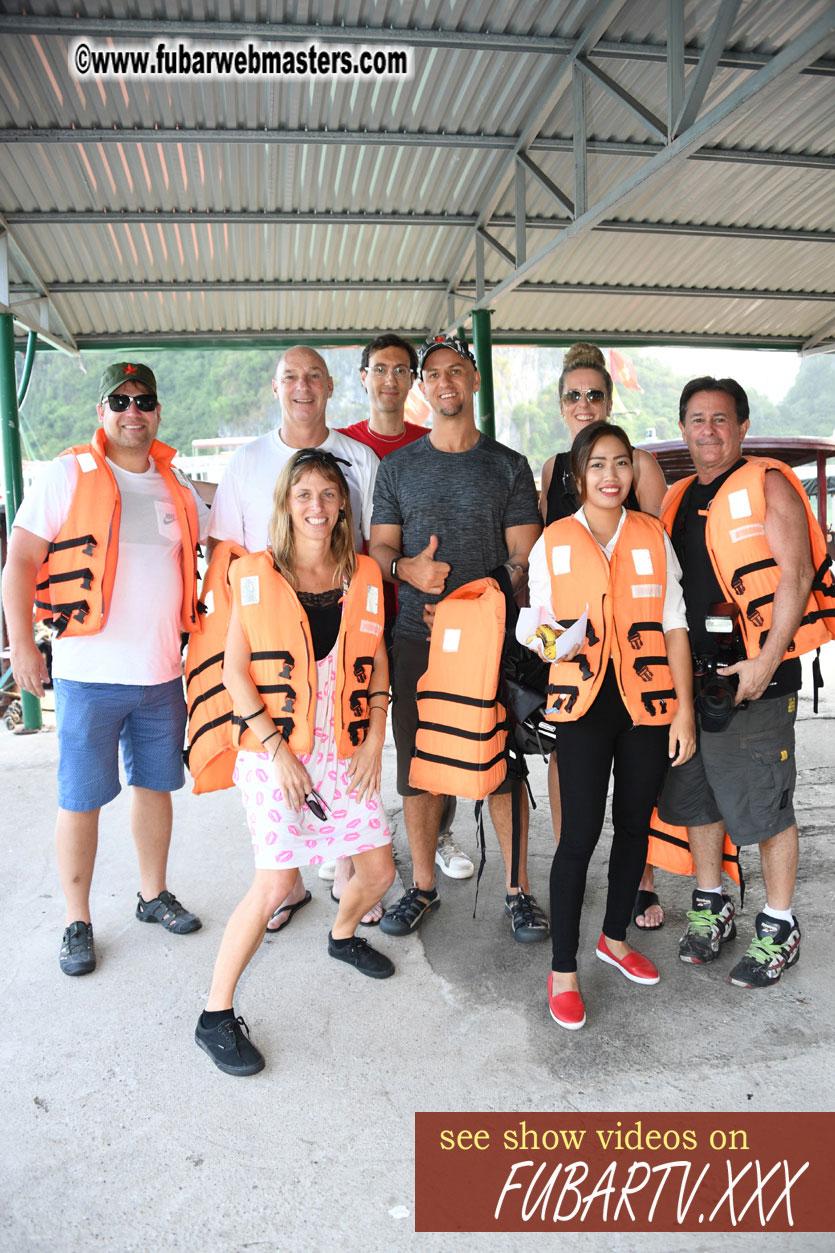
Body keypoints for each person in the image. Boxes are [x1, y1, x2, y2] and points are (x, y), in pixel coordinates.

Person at [2, 362, 208, 976]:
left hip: (160, 673)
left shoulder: (177, 486)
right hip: (88, 673)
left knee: (156, 788)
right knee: (81, 798)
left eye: (143, 400)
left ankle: (152, 894)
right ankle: (77, 919)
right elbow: (18, 564)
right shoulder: (67, 475)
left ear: (157, 413)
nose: (132, 411)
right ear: (102, 412)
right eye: (119, 401)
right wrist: (24, 647)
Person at [195, 448, 395, 1076]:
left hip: (347, 746)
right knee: (277, 885)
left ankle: (340, 935)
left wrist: (373, 738)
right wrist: (278, 751)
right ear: (286, 502)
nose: (317, 506)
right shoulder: (253, 574)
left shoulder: (362, 572)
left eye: (329, 495)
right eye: (304, 494)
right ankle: (214, 1016)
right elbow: (233, 672)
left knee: (381, 874)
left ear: (343, 505)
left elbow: (379, 658)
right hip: (275, 754)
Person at [370, 333, 547, 942]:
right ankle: (421, 887)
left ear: (474, 381)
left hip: (494, 640)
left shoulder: (509, 465)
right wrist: (408, 571)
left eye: (457, 371)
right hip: (417, 640)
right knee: (419, 767)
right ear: (424, 388)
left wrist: (480, 601)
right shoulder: (397, 468)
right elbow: (380, 547)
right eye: (435, 374)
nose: (446, 382)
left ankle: (518, 892)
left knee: (503, 765)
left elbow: (525, 554)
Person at [658, 377, 833, 988]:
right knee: (698, 799)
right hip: (692, 680)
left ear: (742, 426)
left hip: (757, 675)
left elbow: (797, 572)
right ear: (683, 429)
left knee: (763, 805)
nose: (709, 430)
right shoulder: (676, 497)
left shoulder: (769, 482)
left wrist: (765, 661)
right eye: (697, 419)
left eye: (721, 419)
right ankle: (712, 904)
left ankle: (780, 925)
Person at [209, 345, 382, 927]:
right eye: (290, 377)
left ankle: (351, 886)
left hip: (341, 626)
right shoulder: (247, 462)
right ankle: (286, 887)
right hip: (270, 643)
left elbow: (375, 543)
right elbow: (225, 552)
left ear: (331, 387)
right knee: (279, 834)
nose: (302, 386)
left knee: (346, 775)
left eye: (313, 377)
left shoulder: (358, 458)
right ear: (275, 388)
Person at [528, 421, 694, 1029]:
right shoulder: (553, 541)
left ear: (633, 470)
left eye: (620, 463)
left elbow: (674, 625)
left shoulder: (653, 535)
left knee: (633, 828)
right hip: (582, 707)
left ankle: (615, 939)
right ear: (577, 477)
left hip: (647, 705)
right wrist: (552, 644)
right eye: (597, 464)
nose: (610, 476)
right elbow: (541, 628)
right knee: (578, 838)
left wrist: (685, 714)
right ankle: (564, 969)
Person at [539, 342, 669, 929]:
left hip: (637, 660)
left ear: (609, 400)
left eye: (595, 394)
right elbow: (548, 575)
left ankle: (636, 887)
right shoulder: (551, 473)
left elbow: (661, 574)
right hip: (578, 666)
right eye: (574, 395)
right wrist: (550, 637)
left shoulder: (639, 465)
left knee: (636, 805)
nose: (584, 403)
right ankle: (576, 886)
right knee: (579, 805)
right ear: (562, 405)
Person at [340, 332, 472, 881]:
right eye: (379, 369)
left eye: (400, 369)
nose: (389, 379)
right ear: (364, 377)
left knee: (435, 731)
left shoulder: (433, 439)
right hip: (362, 612)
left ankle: (438, 835)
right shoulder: (341, 445)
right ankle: (350, 842)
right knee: (352, 725)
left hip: (425, 615)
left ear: (411, 380)